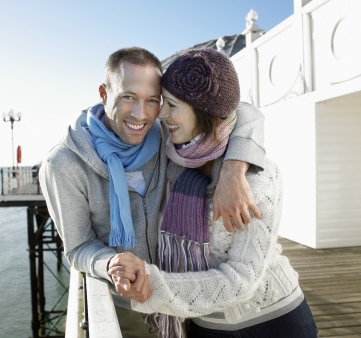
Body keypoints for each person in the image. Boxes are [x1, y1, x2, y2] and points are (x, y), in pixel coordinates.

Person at [39, 46, 266, 338]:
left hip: (183, 293)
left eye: (152, 101)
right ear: (104, 94)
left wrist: (233, 170)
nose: (140, 114)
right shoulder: (63, 164)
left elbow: (244, 112)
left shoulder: (164, 133)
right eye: (128, 97)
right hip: (127, 303)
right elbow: (79, 246)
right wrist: (109, 263)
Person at [108, 48, 317, 338]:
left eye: (172, 104)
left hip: (274, 322)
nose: (160, 114)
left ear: (203, 111)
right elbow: (244, 110)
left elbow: (242, 280)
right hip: (205, 325)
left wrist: (150, 283)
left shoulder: (258, 176)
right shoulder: (169, 159)